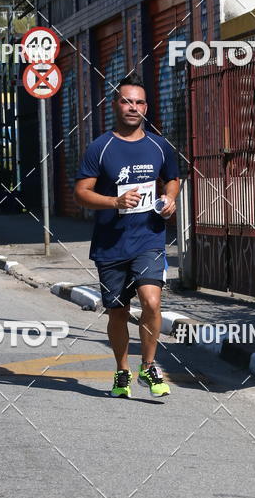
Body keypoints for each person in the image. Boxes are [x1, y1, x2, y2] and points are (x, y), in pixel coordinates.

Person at [74, 73, 180, 399]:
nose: (133, 107)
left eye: (139, 102)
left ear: (146, 107)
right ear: (115, 105)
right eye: (126, 101)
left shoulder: (159, 146)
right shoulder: (100, 147)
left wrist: (170, 199)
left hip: (149, 238)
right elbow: (81, 192)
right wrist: (114, 202)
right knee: (117, 312)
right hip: (110, 243)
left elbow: (173, 178)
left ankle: (148, 366)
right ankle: (122, 371)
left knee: (151, 300)